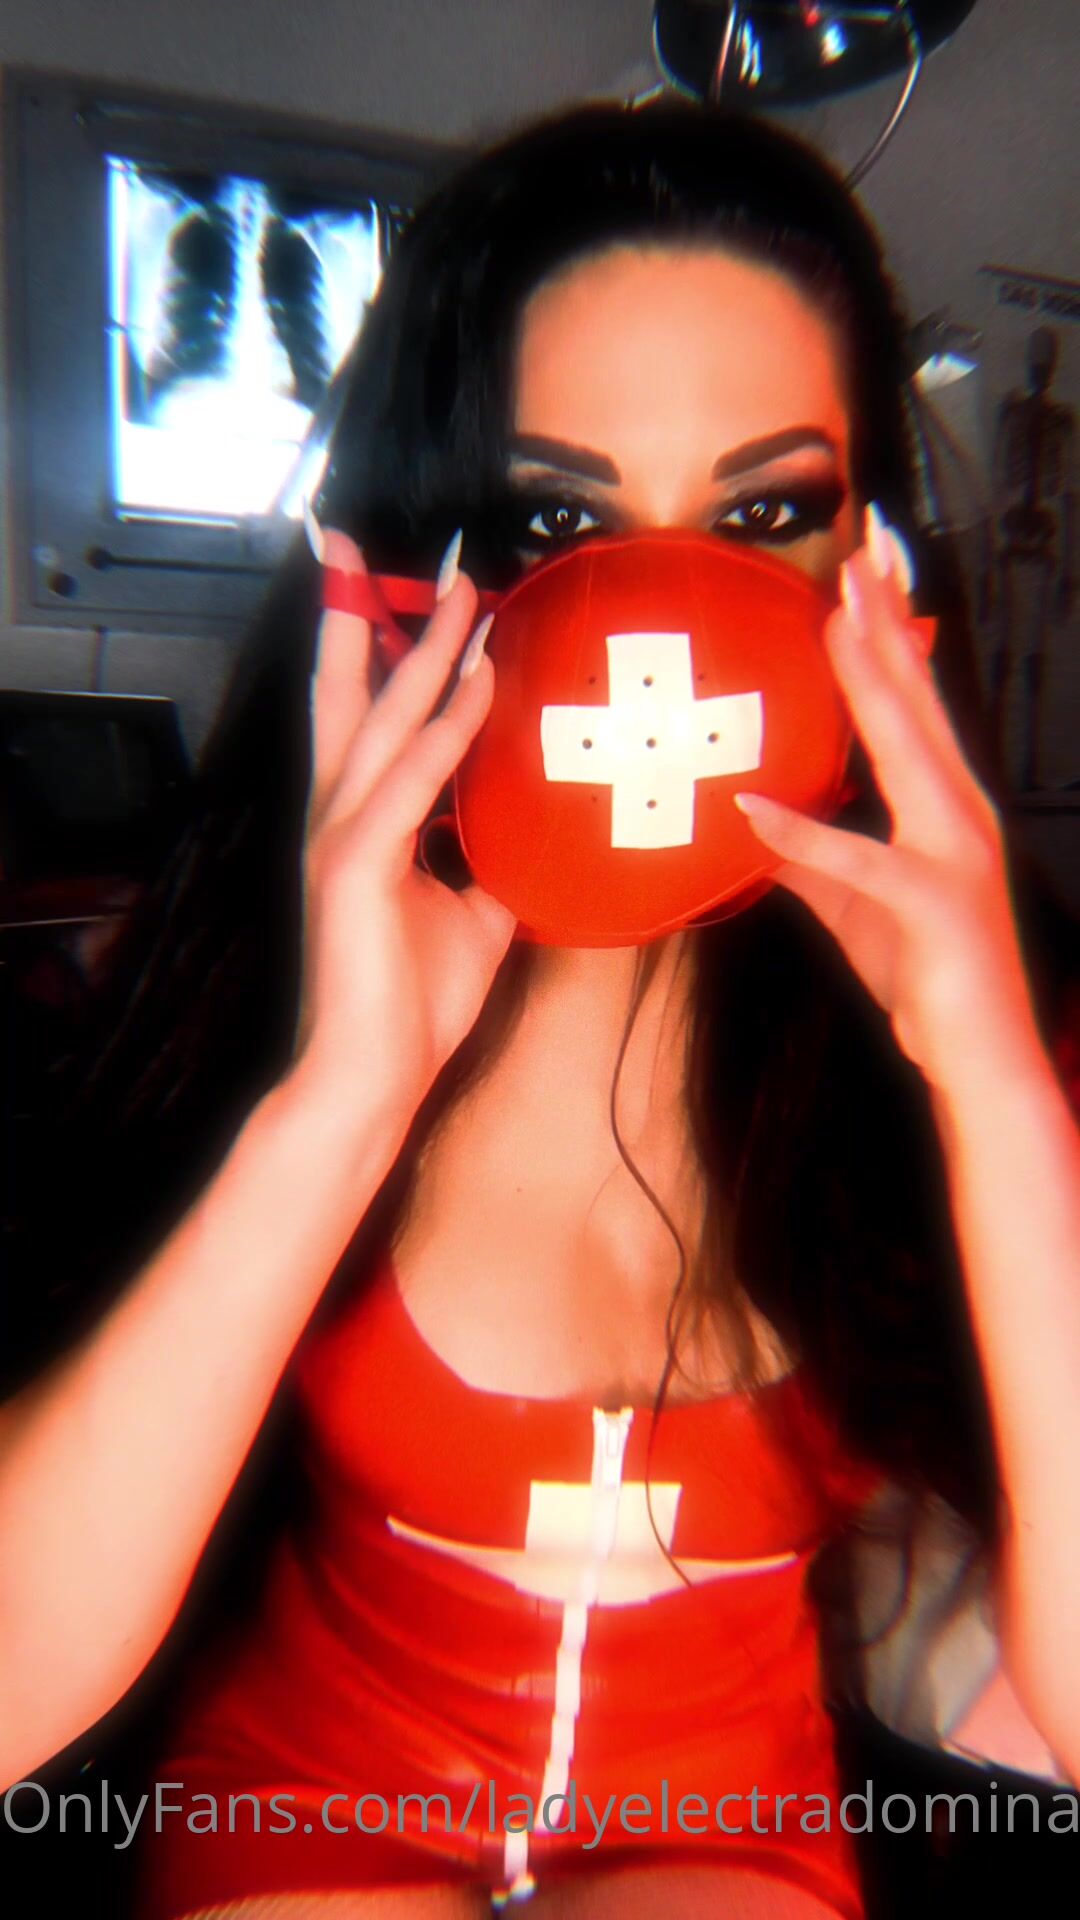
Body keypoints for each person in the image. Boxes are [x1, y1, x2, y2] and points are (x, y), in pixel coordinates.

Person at [1, 99, 1079, 1920]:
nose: (663, 617)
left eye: (765, 513)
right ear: (417, 563)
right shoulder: (281, 974)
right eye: (559, 517)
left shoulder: (968, 1024)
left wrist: (992, 1089)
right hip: (313, 1793)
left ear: (875, 572)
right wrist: (341, 1105)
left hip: (726, 1814)